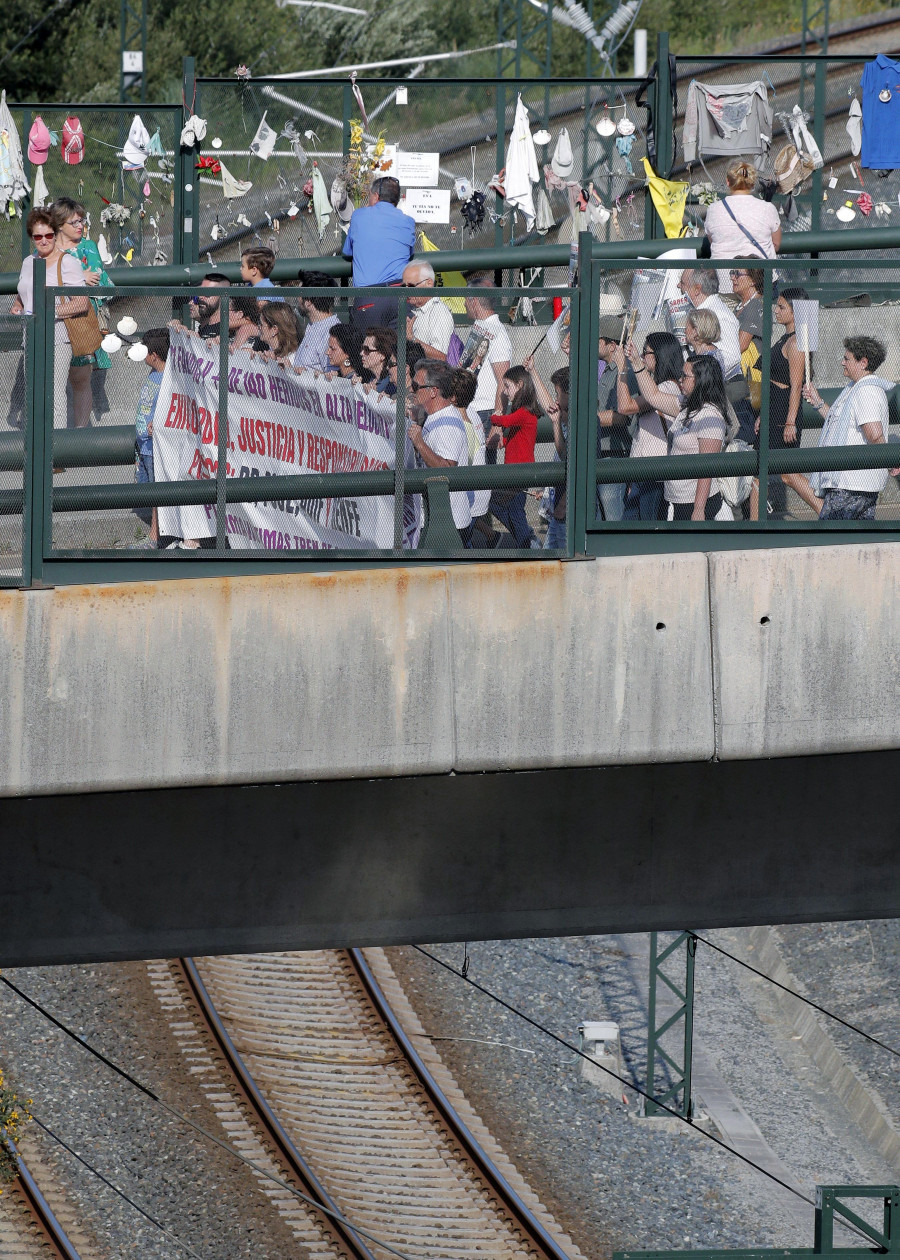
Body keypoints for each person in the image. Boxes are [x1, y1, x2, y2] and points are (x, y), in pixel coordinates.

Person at [627, 348, 728, 520]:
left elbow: (707, 467)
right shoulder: (686, 406)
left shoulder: (710, 416)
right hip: (676, 501)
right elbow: (653, 396)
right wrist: (636, 362)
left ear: (701, 380)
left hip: (695, 505)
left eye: (685, 376)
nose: (680, 379)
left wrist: (699, 509)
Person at [803, 336, 895, 520]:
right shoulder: (855, 388)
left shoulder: (866, 391)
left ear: (863, 363)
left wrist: (890, 461)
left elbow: (874, 434)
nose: (842, 362)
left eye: (847, 359)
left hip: (851, 485)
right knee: (858, 540)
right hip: (856, 484)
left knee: (830, 538)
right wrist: (818, 402)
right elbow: (840, 422)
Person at [50, 196, 113, 425]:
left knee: (80, 379)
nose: (80, 226)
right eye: (74, 222)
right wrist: (79, 277)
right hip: (55, 323)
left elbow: (96, 277)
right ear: (59, 226)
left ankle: (79, 433)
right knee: (53, 383)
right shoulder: (48, 248)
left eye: (81, 221)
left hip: (80, 321)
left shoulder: (87, 246)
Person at [750, 286, 809, 519]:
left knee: (785, 473)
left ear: (795, 312)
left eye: (782, 307)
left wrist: (790, 421)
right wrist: (763, 414)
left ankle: (824, 509)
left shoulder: (796, 342)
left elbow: (796, 385)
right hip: (774, 409)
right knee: (762, 472)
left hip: (784, 412)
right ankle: (755, 524)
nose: (776, 310)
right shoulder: (787, 337)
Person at [408, 360, 473, 546]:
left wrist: (419, 443)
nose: (413, 390)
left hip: (448, 523)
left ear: (433, 391)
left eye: (416, 386)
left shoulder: (447, 424)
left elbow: (446, 469)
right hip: (438, 517)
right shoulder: (436, 416)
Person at [621, 331, 684, 520]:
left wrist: (623, 369)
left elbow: (625, 406)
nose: (641, 356)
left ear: (659, 355)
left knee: (648, 526)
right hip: (642, 471)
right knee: (631, 528)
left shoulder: (667, 388)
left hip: (655, 474)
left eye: (645, 352)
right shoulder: (657, 386)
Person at [342, 176, 415, 330]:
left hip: (370, 297)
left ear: (376, 196)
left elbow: (347, 252)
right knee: (399, 351)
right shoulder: (408, 221)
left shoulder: (359, 216)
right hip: (399, 296)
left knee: (367, 351)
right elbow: (409, 253)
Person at [9, 208, 57, 430]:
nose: (44, 240)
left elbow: (80, 300)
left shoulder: (64, 261)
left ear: (55, 235)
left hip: (56, 333)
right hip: (31, 332)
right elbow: (24, 289)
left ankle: (55, 449)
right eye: (38, 236)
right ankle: (34, 435)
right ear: (32, 237)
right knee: (32, 386)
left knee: (53, 390)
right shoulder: (28, 261)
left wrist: (50, 313)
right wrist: (19, 303)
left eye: (48, 235)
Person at [703, 159, 782, 290]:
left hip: (725, 282)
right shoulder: (767, 208)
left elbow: (712, 240)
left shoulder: (713, 209)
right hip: (758, 282)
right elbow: (776, 244)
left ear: (728, 182)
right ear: (752, 183)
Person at [486, 365, 540, 549]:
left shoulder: (524, 412)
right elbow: (517, 436)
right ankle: (525, 537)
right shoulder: (523, 413)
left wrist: (495, 417)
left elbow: (506, 421)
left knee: (515, 510)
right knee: (497, 504)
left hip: (520, 471)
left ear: (520, 385)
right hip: (514, 470)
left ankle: (527, 543)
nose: (506, 392)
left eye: (508, 387)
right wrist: (505, 441)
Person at [523, 352, 569, 548]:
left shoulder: (577, 419)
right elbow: (548, 404)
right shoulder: (564, 414)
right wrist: (533, 371)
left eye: (558, 393)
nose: (555, 399)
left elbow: (566, 456)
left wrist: (562, 504)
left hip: (568, 505)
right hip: (558, 498)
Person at [463, 279, 512, 462]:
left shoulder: (497, 333)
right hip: (471, 409)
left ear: (474, 301)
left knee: (481, 467)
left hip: (485, 413)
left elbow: (504, 380)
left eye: (466, 299)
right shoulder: (481, 327)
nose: (464, 303)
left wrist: (497, 422)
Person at [132, 327, 170, 548]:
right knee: (147, 492)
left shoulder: (168, 378)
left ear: (154, 356)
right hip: (143, 446)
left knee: (157, 494)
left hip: (156, 446)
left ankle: (155, 538)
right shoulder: (154, 374)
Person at [596, 315, 632, 521]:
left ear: (611, 345)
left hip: (615, 454)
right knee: (599, 518)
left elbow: (624, 416)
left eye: (598, 339)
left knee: (613, 519)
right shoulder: (607, 369)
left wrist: (591, 419)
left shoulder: (626, 371)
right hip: (600, 452)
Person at [678, 269, 741, 377]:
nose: (678, 285)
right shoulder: (699, 310)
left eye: (683, 283)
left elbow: (732, 357)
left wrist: (703, 377)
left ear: (697, 289)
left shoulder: (720, 315)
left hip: (719, 388)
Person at [402, 261, 456, 361]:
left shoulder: (439, 312)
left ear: (429, 283)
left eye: (411, 286)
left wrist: (412, 339)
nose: (406, 291)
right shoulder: (409, 309)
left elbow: (441, 357)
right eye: (403, 287)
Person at [294, 271, 340, 371]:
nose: (297, 299)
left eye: (299, 294)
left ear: (308, 302)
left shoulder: (330, 334)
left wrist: (306, 376)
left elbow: (332, 379)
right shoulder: (313, 326)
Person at [360, 327, 397, 393]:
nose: (361, 353)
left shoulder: (391, 385)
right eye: (362, 348)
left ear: (382, 355)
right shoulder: (371, 379)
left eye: (367, 350)